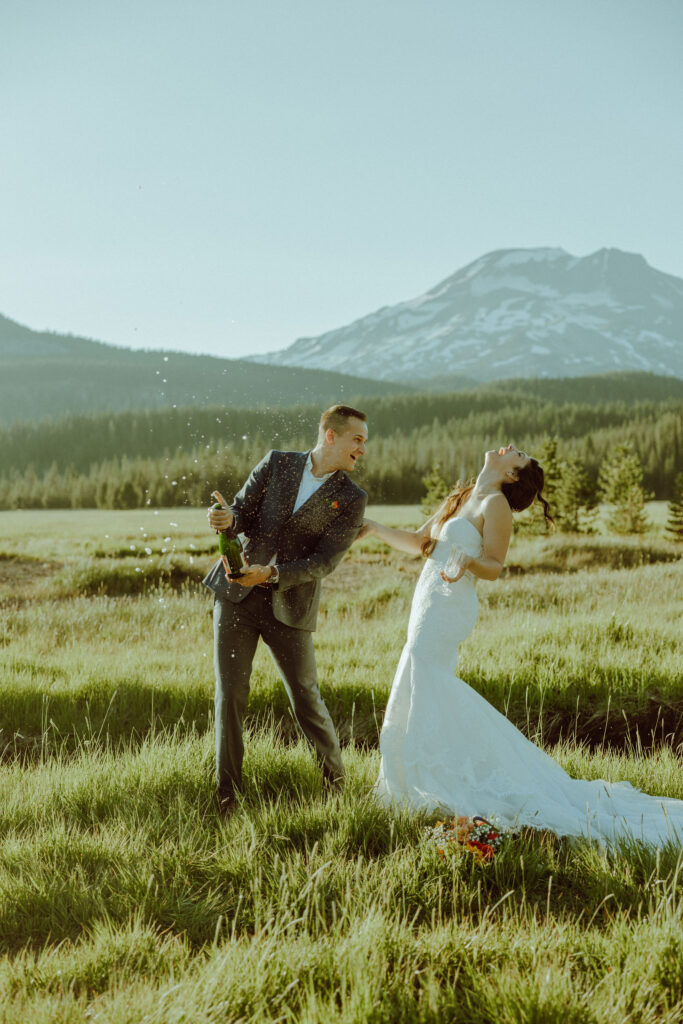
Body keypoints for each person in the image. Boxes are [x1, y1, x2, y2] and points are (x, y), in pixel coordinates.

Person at [361, 444, 683, 848]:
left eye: (519, 455)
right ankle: (419, 778)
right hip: (426, 600)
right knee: (417, 677)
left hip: (450, 605)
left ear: (513, 475)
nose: (509, 448)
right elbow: (420, 544)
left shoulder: (495, 504)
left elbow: (494, 566)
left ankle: (440, 779)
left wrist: (466, 561)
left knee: (428, 679)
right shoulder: (462, 496)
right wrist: (373, 528)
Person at [203, 405, 368, 816]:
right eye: (357, 440)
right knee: (230, 697)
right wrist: (225, 518)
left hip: (290, 606)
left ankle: (338, 793)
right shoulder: (277, 463)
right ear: (331, 435)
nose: (362, 449)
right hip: (236, 596)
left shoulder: (351, 498)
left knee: (306, 698)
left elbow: (325, 562)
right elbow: (240, 513)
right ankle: (227, 797)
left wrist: (273, 573)